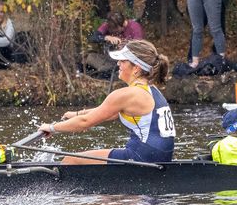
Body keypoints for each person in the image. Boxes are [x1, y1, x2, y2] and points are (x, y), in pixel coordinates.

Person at [40, 39, 176, 164]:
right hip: (160, 158)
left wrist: (51, 128)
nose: (118, 64)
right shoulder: (152, 90)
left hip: (141, 158)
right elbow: (110, 113)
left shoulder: (127, 94)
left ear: (136, 68)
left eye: (123, 61)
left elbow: (85, 122)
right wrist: (77, 114)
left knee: (71, 160)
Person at [83, 10, 145, 76]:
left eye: (115, 29)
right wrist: (106, 37)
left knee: (108, 70)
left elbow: (138, 49)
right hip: (111, 58)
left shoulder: (135, 27)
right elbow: (92, 37)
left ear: (122, 24)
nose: (113, 31)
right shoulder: (109, 24)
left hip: (128, 60)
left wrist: (124, 45)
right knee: (90, 57)